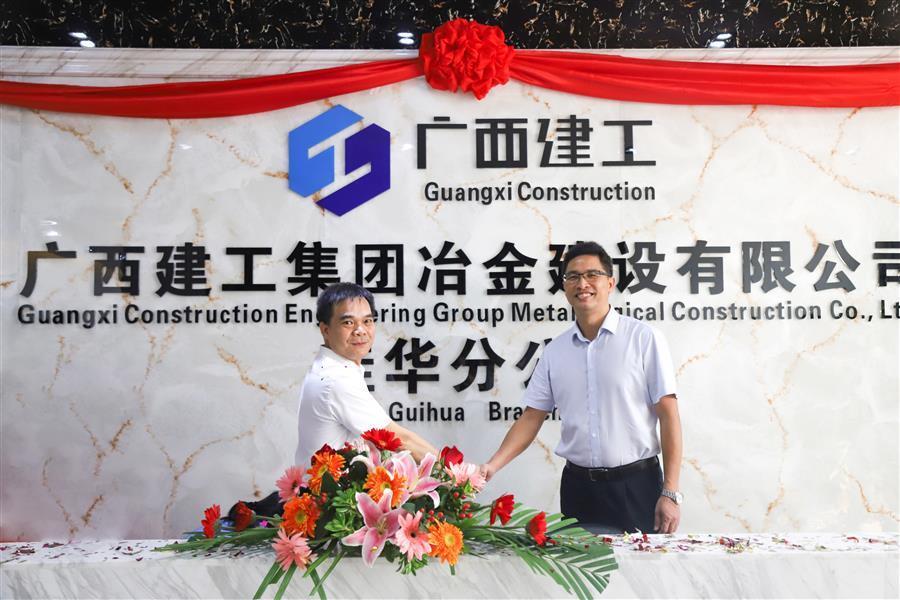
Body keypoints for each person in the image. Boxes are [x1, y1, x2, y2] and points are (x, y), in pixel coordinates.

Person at [481, 242, 683, 534]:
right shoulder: (555, 351)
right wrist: (492, 466)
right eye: (573, 276)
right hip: (578, 490)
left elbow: (668, 414)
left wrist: (671, 492)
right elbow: (531, 417)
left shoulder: (643, 338)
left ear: (610, 283)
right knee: (580, 563)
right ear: (564, 287)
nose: (582, 283)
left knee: (642, 564)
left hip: (637, 486)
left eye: (592, 275)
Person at [294, 281, 437, 465]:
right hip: (325, 482)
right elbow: (400, 440)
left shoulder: (331, 368)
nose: (360, 330)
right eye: (348, 322)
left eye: (367, 321)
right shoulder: (337, 379)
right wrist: (460, 472)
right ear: (325, 330)